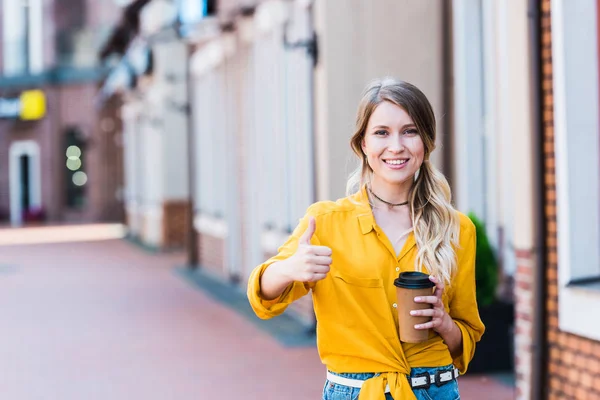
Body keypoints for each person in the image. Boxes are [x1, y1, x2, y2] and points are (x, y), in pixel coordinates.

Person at [247, 78, 485, 400]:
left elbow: (465, 341)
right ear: (363, 144)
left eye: (410, 131)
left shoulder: (456, 229)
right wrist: (290, 268)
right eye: (382, 132)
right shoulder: (326, 222)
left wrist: (443, 323)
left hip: (436, 390)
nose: (396, 146)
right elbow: (262, 297)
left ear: (426, 143)